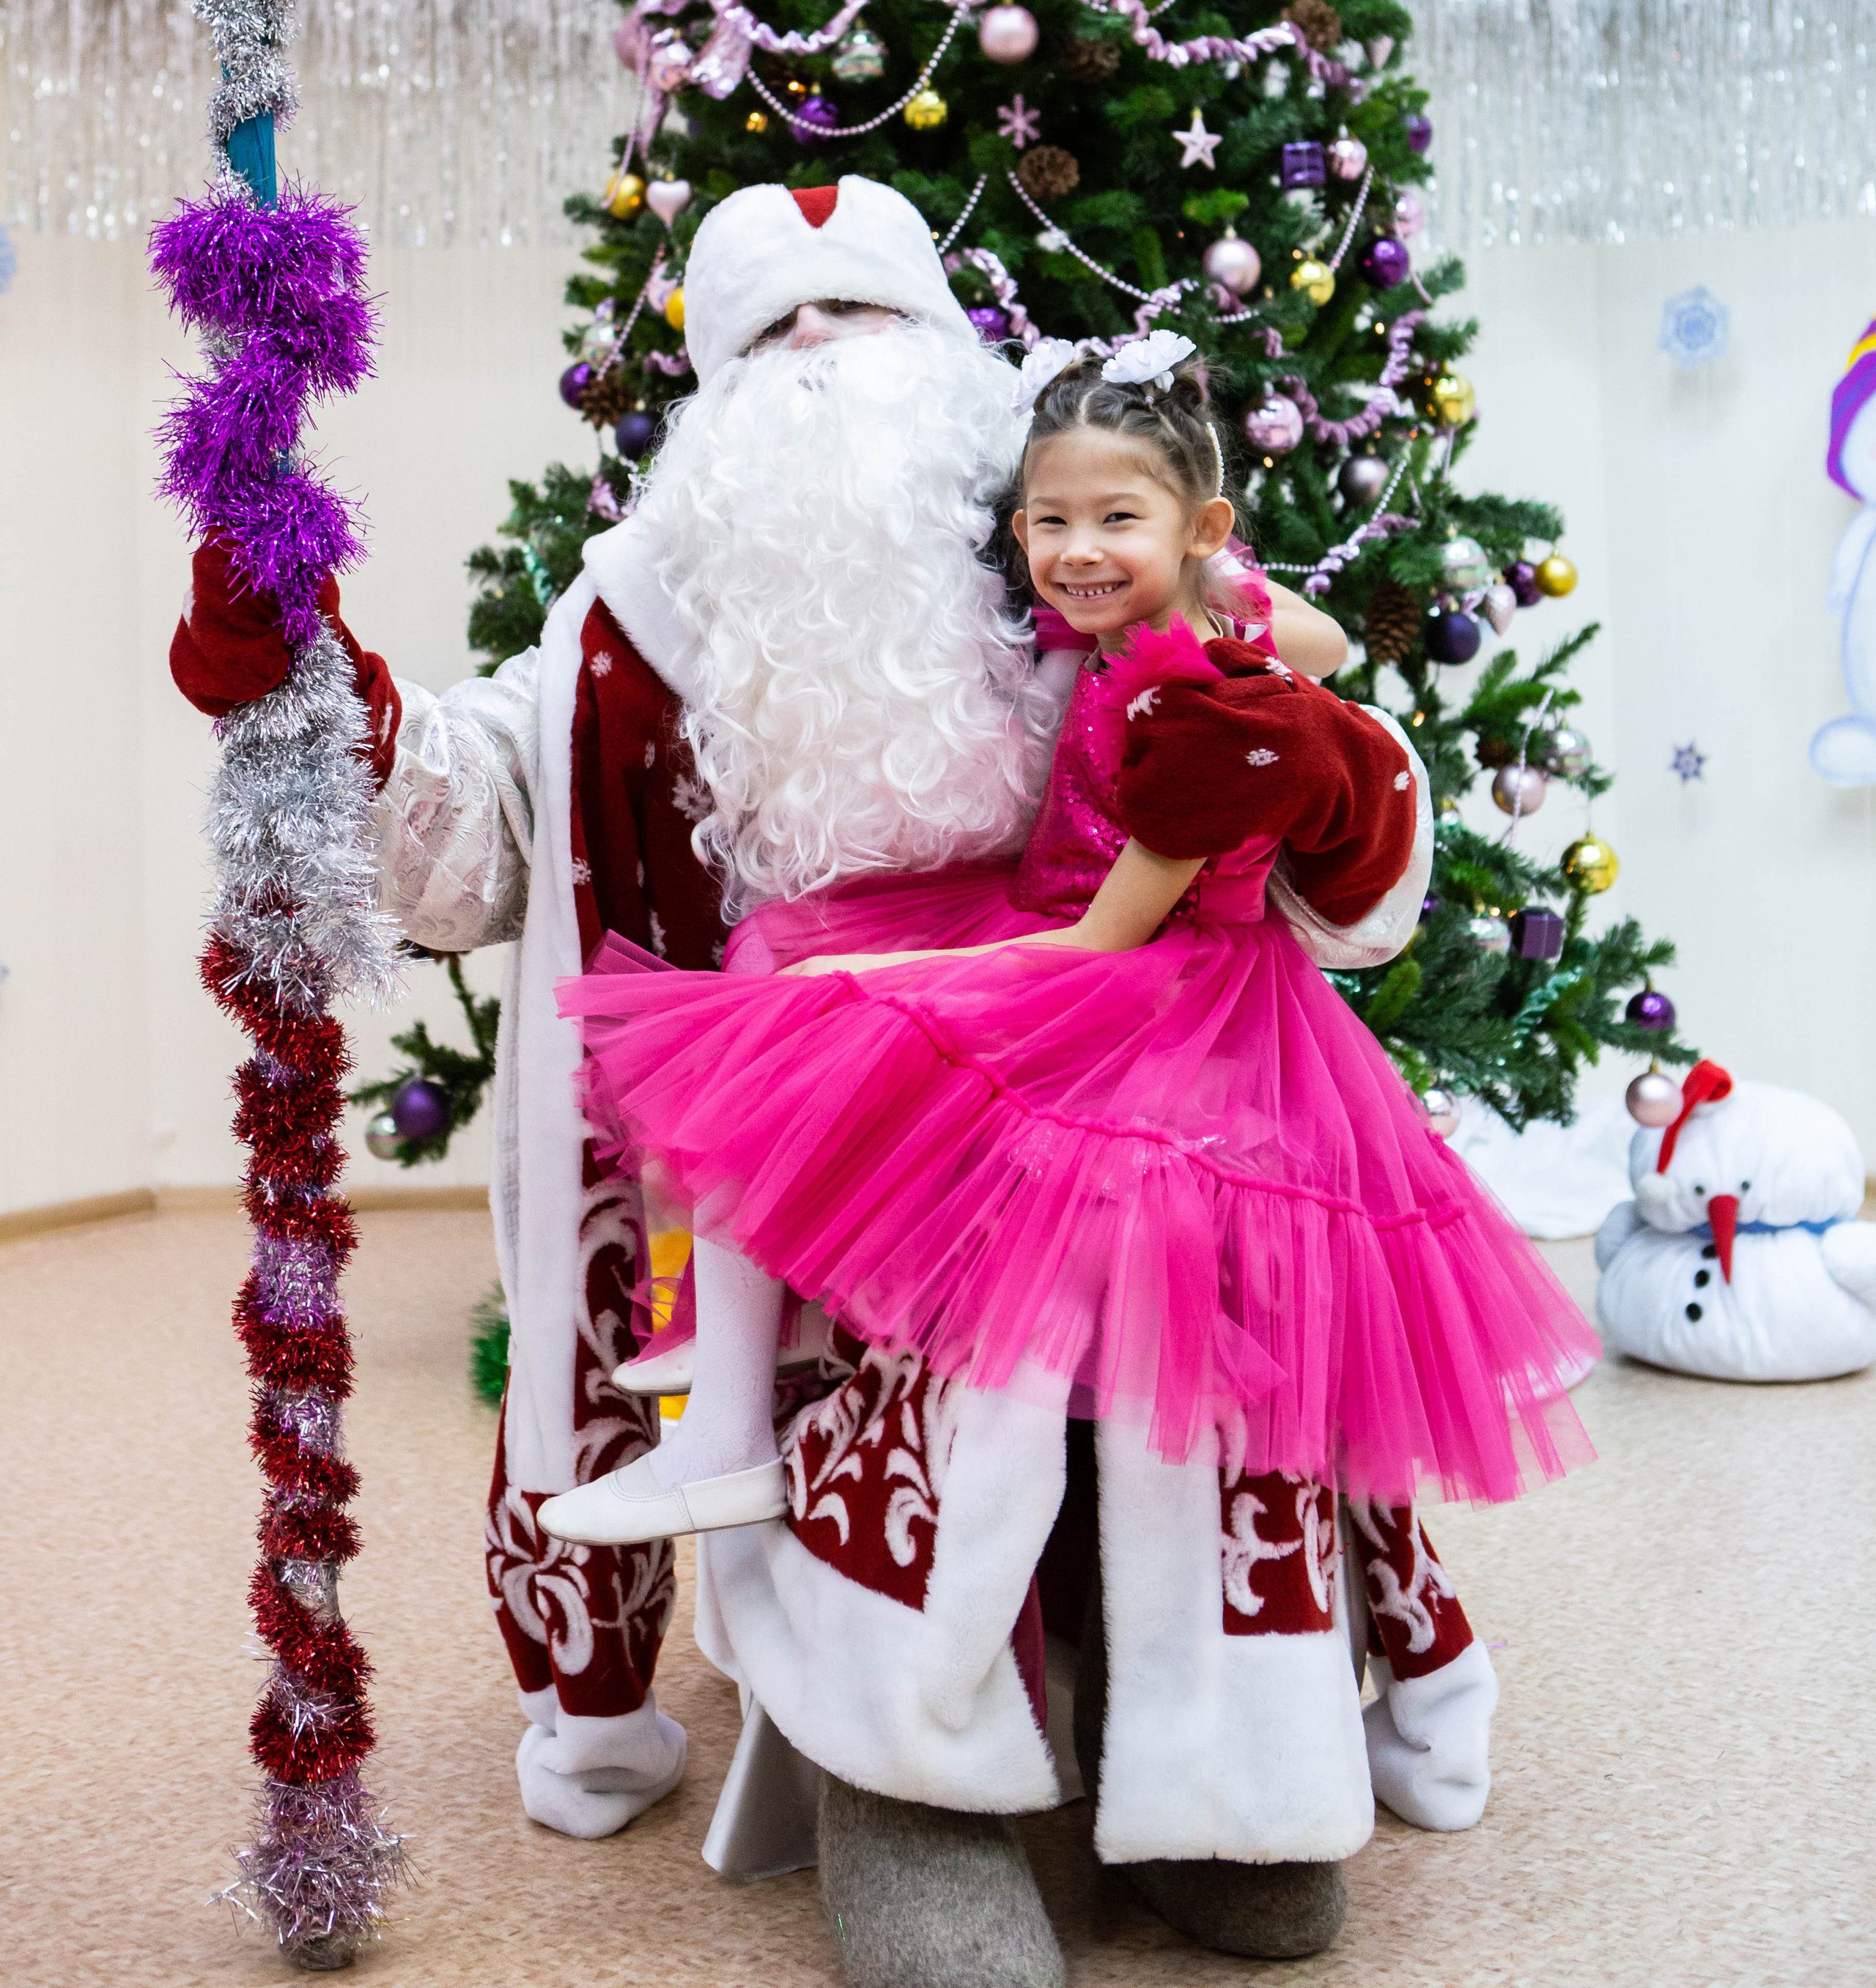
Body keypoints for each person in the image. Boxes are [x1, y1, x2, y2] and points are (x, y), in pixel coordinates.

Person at [163, 177, 1503, 1973]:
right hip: (838, 1107)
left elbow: (1324, 806)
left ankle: (1216, 1783)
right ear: (708, 391)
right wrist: (312, 692)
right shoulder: (636, 618)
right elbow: (464, 850)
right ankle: (912, 1794)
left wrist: (1322, 779)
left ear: (945, 350)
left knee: (1218, 1309)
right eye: (772, 332)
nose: (820, 360)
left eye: (861, 318)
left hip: (1143, 1058)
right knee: (947, 1376)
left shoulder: (1070, 532)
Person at [544, 333, 1594, 1556]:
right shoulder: (1158, 612)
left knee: (809, 1004)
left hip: (1150, 978)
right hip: (1063, 907)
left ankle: (727, 1437)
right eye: (1051, 522)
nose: (1077, 552)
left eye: (1117, 521)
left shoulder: (1206, 719)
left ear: (1200, 526)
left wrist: (874, 970)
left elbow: (1104, 941)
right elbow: (1330, 646)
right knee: (775, 943)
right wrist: (1204, 580)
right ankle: (744, 1342)